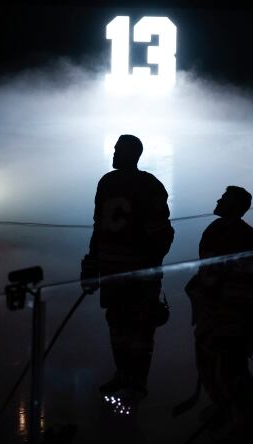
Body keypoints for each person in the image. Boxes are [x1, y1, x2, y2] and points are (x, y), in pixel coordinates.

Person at [80, 134, 174, 403]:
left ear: (131, 153)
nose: (113, 153)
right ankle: (128, 375)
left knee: (133, 325)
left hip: (122, 270)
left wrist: (92, 266)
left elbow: (99, 229)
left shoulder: (109, 183)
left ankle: (135, 379)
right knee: (124, 324)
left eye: (117, 149)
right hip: (125, 270)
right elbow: (160, 233)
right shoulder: (149, 185)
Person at [185, 186, 253, 444]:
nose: (218, 200)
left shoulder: (246, 237)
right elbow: (208, 270)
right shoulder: (214, 230)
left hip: (233, 315)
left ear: (235, 205)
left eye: (224, 198)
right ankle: (224, 408)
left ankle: (244, 420)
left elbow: (247, 282)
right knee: (209, 365)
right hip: (213, 312)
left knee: (230, 369)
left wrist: (226, 310)